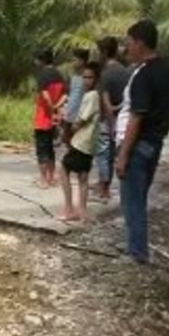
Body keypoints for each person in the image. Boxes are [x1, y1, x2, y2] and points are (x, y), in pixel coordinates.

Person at [115, 19, 169, 263]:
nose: (126, 49)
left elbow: (136, 117)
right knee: (138, 197)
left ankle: (137, 252)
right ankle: (135, 243)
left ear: (140, 43)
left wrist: (123, 155)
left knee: (132, 200)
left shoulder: (143, 76)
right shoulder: (167, 71)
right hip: (153, 144)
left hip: (137, 145)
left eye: (129, 43)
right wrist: (163, 130)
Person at [59, 63, 101, 222]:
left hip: (81, 142)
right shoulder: (91, 95)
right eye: (84, 77)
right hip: (88, 143)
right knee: (83, 177)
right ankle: (82, 212)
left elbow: (81, 120)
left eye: (89, 77)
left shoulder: (92, 96)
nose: (86, 80)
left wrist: (68, 133)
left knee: (63, 169)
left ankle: (69, 208)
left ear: (96, 79)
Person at [96, 36, 131, 200]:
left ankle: (104, 189)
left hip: (108, 121)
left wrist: (111, 127)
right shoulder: (126, 71)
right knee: (117, 155)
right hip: (125, 118)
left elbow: (107, 105)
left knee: (104, 155)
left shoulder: (105, 75)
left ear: (103, 52)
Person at [33, 48, 67, 188]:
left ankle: (43, 179)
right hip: (55, 118)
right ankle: (51, 177)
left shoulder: (42, 75)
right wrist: (56, 108)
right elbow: (65, 95)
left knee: (42, 149)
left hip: (43, 117)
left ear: (41, 60)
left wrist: (50, 108)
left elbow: (45, 95)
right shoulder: (59, 74)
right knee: (51, 149)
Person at [63, 49, 90, 143]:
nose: (72, 63)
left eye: (75, 60)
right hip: (70, 113)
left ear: (82, 61)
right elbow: (69, 94)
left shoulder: (87, 77)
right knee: (67, 140)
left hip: (80, 115)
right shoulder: (73, 76)